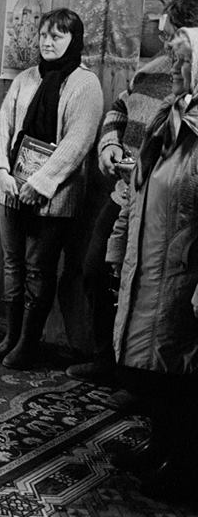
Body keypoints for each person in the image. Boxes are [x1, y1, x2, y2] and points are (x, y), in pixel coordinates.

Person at [66, 0, 198, 386]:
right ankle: (107, 358)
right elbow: (120, 107)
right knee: (96, 269)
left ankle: (140, 377)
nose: (164, 45)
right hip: (126, 191)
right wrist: (109, 143)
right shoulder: (151, 70)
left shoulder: (187, 79)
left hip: (167, 203)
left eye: (170, 35)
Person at [104, 27, 198, 500]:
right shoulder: (169, 116)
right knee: (153, 367)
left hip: (183, 272)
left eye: (184, 63)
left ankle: (183, 466)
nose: (174, 71)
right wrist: (118, 246)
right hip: (149, 261)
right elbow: (139, 187)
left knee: (181, 373)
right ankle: (159, 446)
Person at [0, 8, 103, 370]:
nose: (47, 43)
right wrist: (0, 169)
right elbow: (3, 126)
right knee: (13, 265)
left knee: (38, 268)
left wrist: (40, 184)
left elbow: (77, 142)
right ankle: (11, 335)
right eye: (43, 35)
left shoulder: (85, 84)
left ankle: (28, 342)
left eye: (57, 36)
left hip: (53, 195)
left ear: (73, 40)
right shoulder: (26, 78)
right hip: (10, 187)